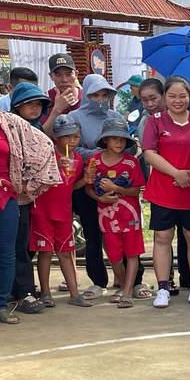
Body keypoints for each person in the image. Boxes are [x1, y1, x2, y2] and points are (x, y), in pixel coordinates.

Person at [0, 71, 60, 330]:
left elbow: (44, 147)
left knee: (5, 256)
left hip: (3, 202)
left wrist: (28, 183)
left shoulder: (10, 123)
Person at [142, 75, 190, 309]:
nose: (177, 100)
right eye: (172, 96)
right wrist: (176, 173)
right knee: (162, 238)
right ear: (165, 97)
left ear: (189, 97)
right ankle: (162, 287)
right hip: (163, 190)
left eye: (182, 96)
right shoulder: (155, 121)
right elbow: (149, 153)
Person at [66, 74, 123, 299]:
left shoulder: (115, 116)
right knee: (92, 235)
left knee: (119, 232)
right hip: (86, 183)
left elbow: (124, 143)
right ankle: (98, 281)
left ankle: (126, 277)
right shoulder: (74, 116)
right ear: (86, 94)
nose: (100, 99)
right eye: (95, 94)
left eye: (104, 94)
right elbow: (72, 148)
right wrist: (101, 154)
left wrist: (116, 155)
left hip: (115, 182)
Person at [32, 114, 91, 308]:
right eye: (66, 137)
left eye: (75, 136)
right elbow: (38, 180)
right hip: (43, 210)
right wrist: (55, 166)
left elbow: (71, 186)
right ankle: (46, 293)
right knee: (46, 252)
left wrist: (86, 180)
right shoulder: (48, 155)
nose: (71, 141)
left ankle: (75, 293)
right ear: (56, 137)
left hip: (64, 212)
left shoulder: (79, 159)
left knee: (66, 252)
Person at [86, 116, 145, 309]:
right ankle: (120, 283)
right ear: (105, 140)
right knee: (114, 255)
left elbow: (136, 190)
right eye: (114, 138)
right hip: (107, 217)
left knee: (132, 253)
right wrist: (100, 198)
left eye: (122, 139)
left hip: (130, 216)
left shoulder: (131, 162)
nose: (118, 142)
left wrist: (115, 188)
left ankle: (128, 291)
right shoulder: (94, 161)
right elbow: (88, 188)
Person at [8, 81, 54, 314]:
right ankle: (16, 290)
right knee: (10, 245)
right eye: (28, 105)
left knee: (27, 245)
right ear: (17, 107)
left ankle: (23, 289)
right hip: (9, 196)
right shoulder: (8, 128)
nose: (34, 109)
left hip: (35, 197)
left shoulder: (40, 132)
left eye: (38, 105)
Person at [43, 53, 82, 124]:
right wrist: (56, 110)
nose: (64, 80)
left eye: (69, 74)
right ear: (51, 76)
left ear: (76, 74)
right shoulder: (45, 100)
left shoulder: (87, 97)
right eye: (58, 75)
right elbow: (41, 133)